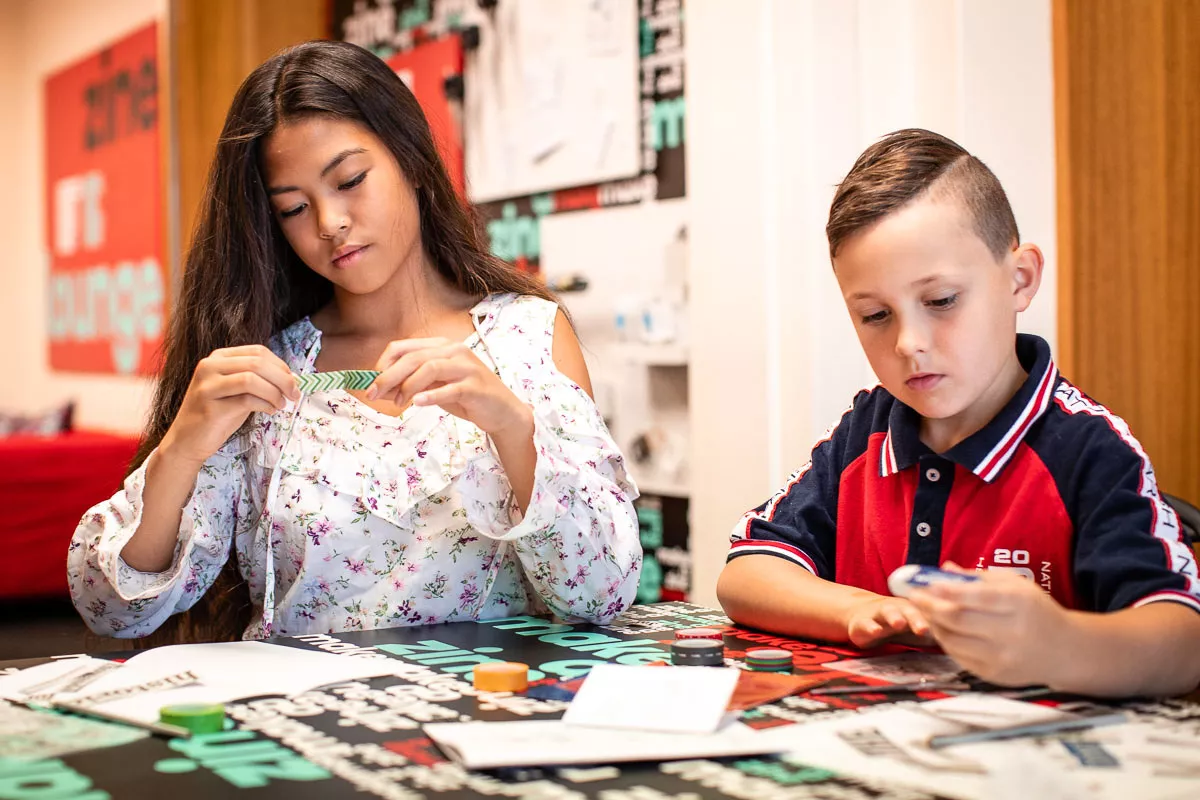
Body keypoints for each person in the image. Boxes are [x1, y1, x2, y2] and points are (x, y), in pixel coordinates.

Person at [68, 40, 642, 642]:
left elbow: (602, 592)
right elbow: (114, 610)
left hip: (484, 720)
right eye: (292, 209)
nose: (328, 223)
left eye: (350, 180)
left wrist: (512, 428)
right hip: (297, 719)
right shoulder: (266, 370)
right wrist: (180, 451)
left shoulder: (525, 335)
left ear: (413, 160)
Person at [717, 128, 1200, 697]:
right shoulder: (863, 433)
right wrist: (860, 610)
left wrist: (1058, 643)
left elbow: (1183, 641)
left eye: (941, 301)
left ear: (1020, 279)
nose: (908, 343)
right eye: (875, 315)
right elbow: (746, 573)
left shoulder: (1091, 450)